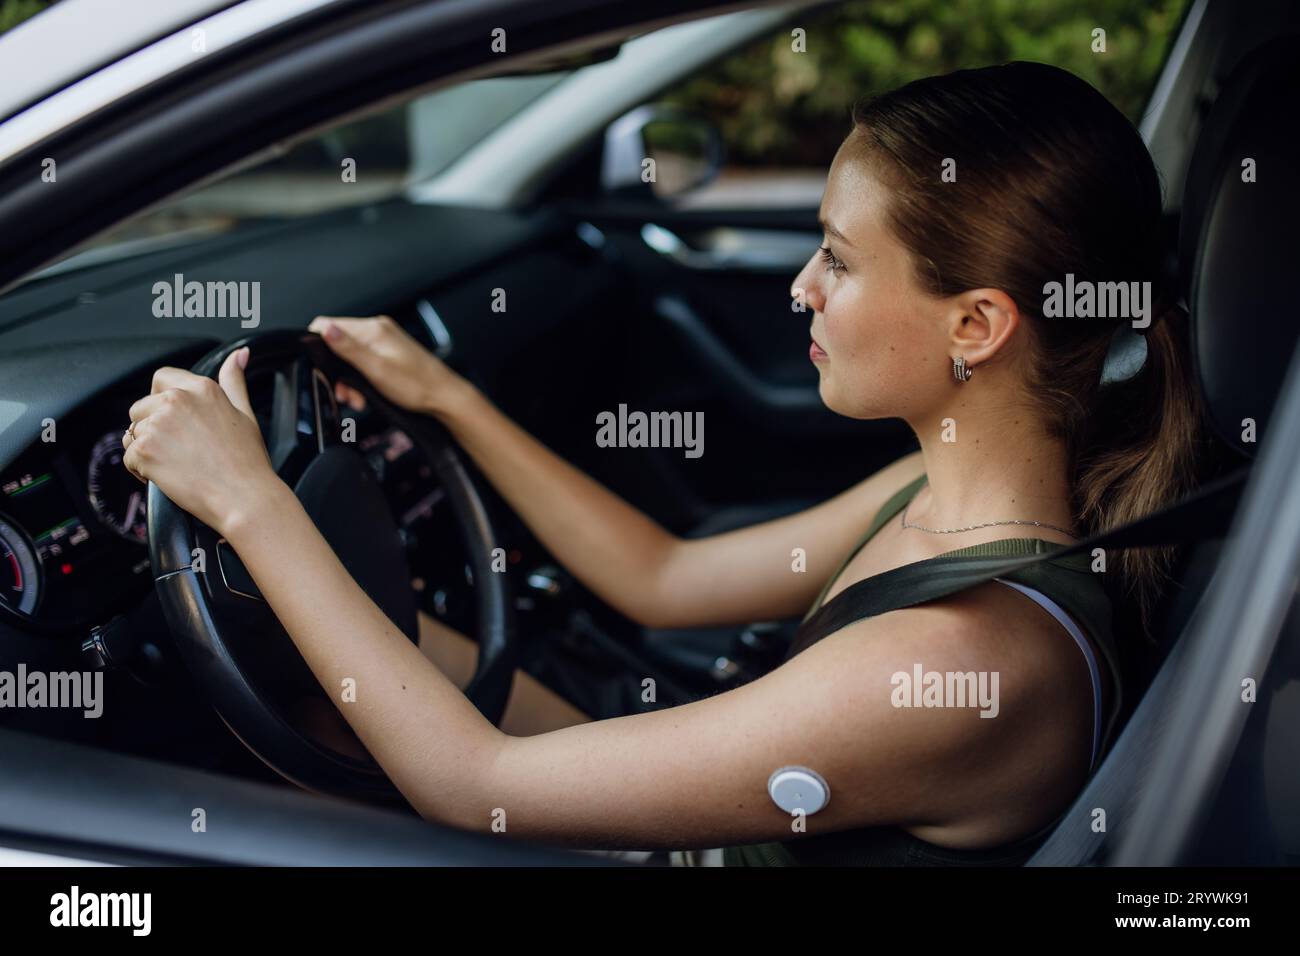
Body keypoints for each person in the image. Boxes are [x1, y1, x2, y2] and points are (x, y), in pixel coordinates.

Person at [120, 62, 1211, 866]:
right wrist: (449, 395)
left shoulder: (960, 658)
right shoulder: (943, 490)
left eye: (836, 255)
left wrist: (254, 502)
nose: (800, 288)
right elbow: (663, 578)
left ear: (976, 324)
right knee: (324, 677)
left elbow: (470, 785)